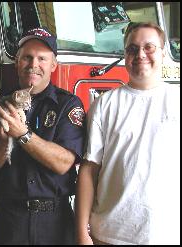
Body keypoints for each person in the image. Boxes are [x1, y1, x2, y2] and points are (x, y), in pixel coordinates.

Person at [0, 27, 86, 245]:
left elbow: (63, 163)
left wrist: (22, 134)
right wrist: (6, 141)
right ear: (17, 62)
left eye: (42, 58)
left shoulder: (68, 105)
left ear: (53, 65)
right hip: (11, 221)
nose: (34, 64)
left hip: (54, 220)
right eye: (27, 57)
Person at [75, 22, 180, 245]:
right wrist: (82, 232)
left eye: (149, 47)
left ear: (163, 53)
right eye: (132, 49)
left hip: (167, 235)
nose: (140, 54)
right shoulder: (104, 105)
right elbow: (88, 169)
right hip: (109, 235)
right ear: (125, 55)